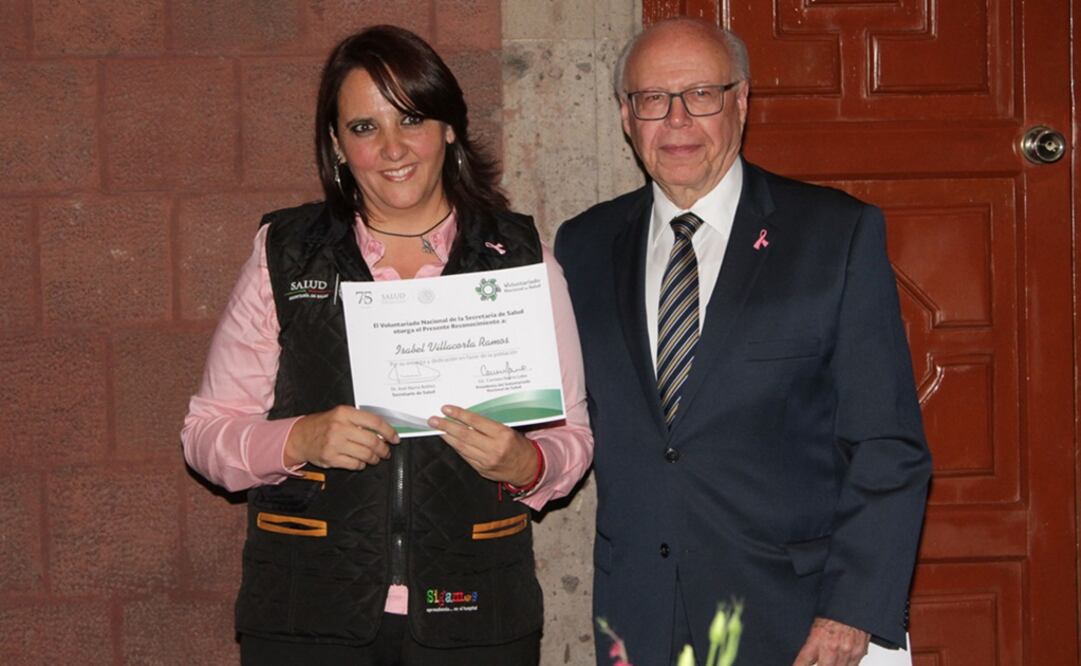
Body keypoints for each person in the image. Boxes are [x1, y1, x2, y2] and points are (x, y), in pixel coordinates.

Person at [182, 24, 592, 665]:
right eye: (364, 127)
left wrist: (528, 465)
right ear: (337, 144)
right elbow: (206, 435)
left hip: (476, 612)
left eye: (412, 118)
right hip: (308, 613)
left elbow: (573, 435)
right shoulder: (285, 254)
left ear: (449, 127)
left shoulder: (518, 257)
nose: (393, 148)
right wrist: (299, 439)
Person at [554, 18, 931, 666]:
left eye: (701, 94)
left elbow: (886, 443)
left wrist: (851, 611)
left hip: (795, 619)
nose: (676, 120)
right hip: (640, 614)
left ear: (742, 102)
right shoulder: (583, 246)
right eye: (653, 99)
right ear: (625, 115)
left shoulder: (833, 236)